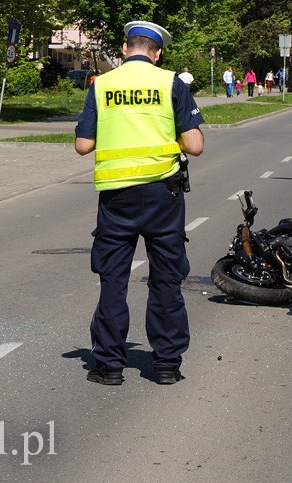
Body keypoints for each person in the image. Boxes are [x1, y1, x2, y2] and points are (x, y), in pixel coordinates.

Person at [74, 20, 205, 386]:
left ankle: (109, 366)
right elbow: (194, 145)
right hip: (164, 196)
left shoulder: (102, 85)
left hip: (117, 198)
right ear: (157, 52)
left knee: (113, 281)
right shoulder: (171, 84)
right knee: (166, 280)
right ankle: (166, 365)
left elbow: (83, 145)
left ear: (124, 48)